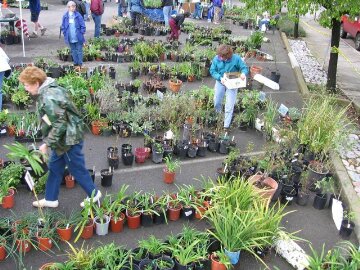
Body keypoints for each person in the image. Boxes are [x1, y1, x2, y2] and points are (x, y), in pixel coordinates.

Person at [18, 66, 102, 208]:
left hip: (68, 139)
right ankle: (51, 199)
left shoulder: (48, 96)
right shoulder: (48, 90)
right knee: (55, 167)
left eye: (26, 85)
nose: (25, 88)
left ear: (36, 83)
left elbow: (60, 124)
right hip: (62, 138)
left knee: (76, 168)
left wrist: (46, 144)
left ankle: (94, 194)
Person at [209, 44, 248, 131]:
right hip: (220, 82)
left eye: (224, 57)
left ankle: (226, 126)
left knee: (229, 105)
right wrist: (220, 78)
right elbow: (212, 71)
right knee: (217, 101)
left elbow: (244, 68)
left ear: (228, 55)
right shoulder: (217, 58)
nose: (221, 58)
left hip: (232, 84)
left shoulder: (236, 59)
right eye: (220, 56)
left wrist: (243, 74)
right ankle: (218, 116)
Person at [61, 1, 86, 69]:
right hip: (70, 37)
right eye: (72, 6)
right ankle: (75, 63)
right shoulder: (65, 16)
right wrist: (65, 32)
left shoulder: (78, 15)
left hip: (78, 37)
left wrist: (82, 32)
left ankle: (80, 64)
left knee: (79, 50)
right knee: (73, 51)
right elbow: (63, 26)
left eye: (74, 6)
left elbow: (83, 25)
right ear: (68, 7)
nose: (74, 8)